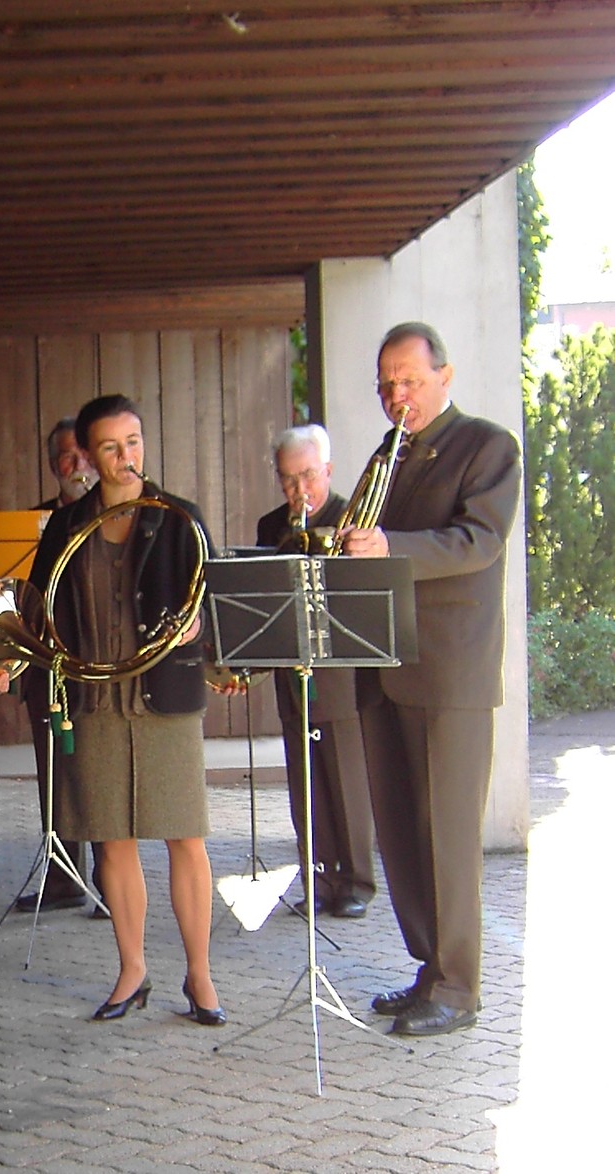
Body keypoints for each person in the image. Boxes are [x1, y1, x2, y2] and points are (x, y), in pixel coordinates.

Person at [0, 393, 225, 1026]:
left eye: (135, 442)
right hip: (92, 699)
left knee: (185, 838)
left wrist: (204, 633)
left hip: (164, 699)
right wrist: (5, 661)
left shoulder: (180, 518)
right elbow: (38, 613)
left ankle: (200, 976)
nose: (127, 458)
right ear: (88, 458)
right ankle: (132, 971)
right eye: (111, 447)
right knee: (112, 843)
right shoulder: (68, 527)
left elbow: (216, 601)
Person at [341, 321, 520, 1037]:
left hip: (449, 673)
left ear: (445, 376)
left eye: (410, 379)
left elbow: (478, 541)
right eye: (386, 383)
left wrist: (389, 546)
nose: (397, 394)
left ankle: (459, 987)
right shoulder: (388, 455)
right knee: (404, 835)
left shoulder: (487, 445)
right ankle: (429, 971)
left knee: (446, 834)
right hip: (385, 665)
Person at [257, 424, 375, 919]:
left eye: (307, 475)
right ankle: (319, 883)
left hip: (342, 671)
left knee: (345, 780)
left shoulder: (355, 521)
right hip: (293, 669)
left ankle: (357, 885)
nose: (298, 490)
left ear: (326, 469)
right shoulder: (272, 525)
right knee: (304, 784)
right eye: (288, 480)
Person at [14, 417, 103, 915]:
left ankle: (113, 887)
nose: (77, 466)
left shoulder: (111, 515)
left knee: (99, 776)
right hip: (46, 667)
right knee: (54, 774)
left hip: (96, 667)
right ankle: (65, 877)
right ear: (53, 467)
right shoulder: (31, 525)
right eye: (66, 459)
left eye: (83, 455)